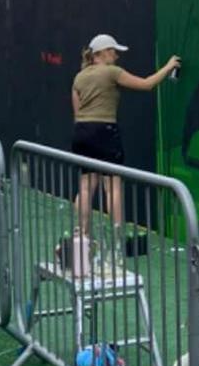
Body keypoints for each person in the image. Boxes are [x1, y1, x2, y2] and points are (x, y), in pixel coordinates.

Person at [70, 33, 180, 238]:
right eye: (113, 51)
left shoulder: (79, 77)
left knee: (86, 186)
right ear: (100, 53)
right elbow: (147, 84)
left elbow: (77, 112)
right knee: (112, 188)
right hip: (105, 131)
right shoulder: (112, 72)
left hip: (82, 133)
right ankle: (117, 238)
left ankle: (81, 236)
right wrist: (168, 66)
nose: (116, 56)